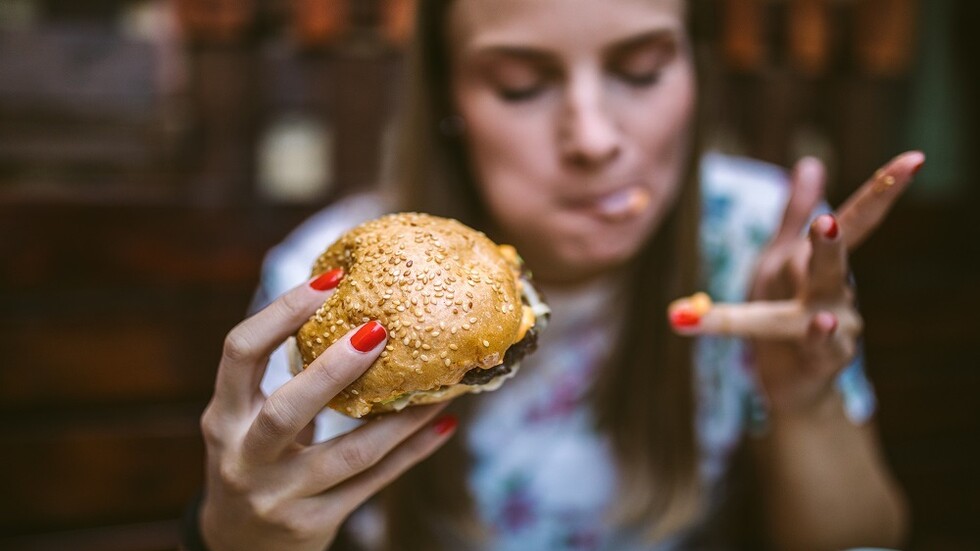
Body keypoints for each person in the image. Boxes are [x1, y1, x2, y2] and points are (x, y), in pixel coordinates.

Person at [189, 0, 918, 549]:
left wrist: (808, 403)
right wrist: (236, 535)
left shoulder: (760, 240)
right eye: (519, 85)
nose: (594, 139)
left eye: (642, 70)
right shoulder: (328, 290)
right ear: (450, 103)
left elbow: (863, 537)